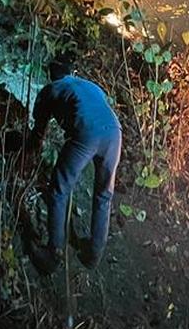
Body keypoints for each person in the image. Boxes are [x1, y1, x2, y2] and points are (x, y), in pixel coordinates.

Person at [28, 54, 122, 274]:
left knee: (59, 190)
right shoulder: (90, 85)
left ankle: (53, 254)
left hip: (87, 133)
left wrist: (31, 150)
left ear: (51, 73)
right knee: (103, 195)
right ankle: (93, 255)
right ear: (71, 72)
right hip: (115, 134)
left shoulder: (51, 89)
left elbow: (38, 132)